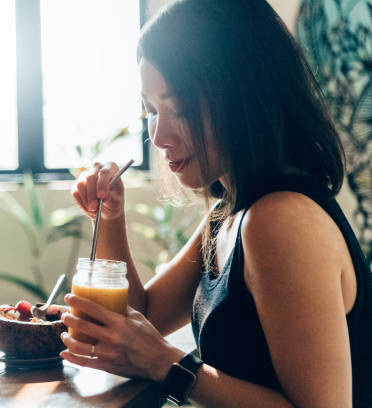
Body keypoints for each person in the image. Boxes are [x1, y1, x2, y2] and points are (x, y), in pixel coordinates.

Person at [59, 0, 372, 406]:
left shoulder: (280, 220)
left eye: (182, 109)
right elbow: (143, 314)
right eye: (151, 110)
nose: (159, 136)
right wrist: (112, 216)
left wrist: (167, 365)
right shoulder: (229, 215)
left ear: (245, 95)